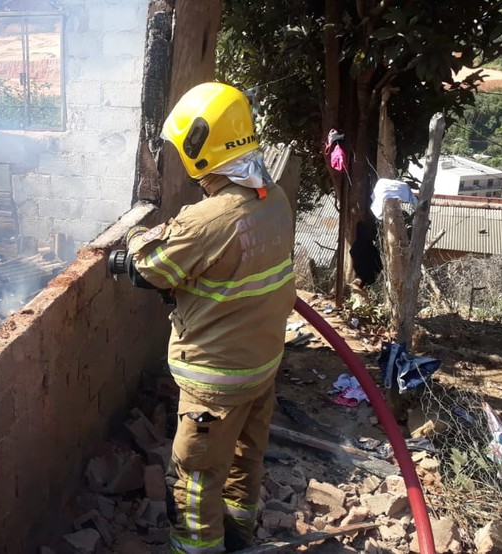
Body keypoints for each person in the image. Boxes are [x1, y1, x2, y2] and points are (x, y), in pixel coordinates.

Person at [122, 82, 296, 552]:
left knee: (196, 478)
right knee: (244, 459)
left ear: (201, 150)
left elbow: (151, 268)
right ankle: (239, 536)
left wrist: (137, 240)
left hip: (215, 381)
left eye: (182, 149)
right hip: (261, 366)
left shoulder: (208, 220)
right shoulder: (273, 198)